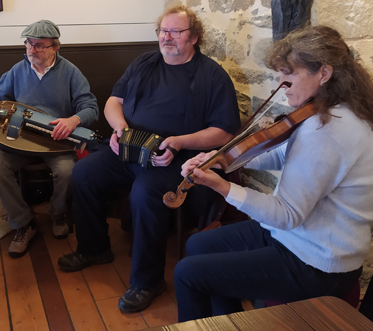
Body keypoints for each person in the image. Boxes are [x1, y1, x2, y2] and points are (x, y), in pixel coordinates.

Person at [173, 25, 373, 322]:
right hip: (296, 237)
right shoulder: (335, 109)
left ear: (324, 73)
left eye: (289, 73)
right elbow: (283, 154)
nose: (281, 81)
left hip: (319, 260)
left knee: (188, 273)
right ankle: (232, 323)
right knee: (198, 244)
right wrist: (225, 160)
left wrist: (223, 187)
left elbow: (287, 214)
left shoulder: (329, 129)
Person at [57, 5, 241, 313]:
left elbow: (223, 132)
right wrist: (120, 130)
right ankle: (94, 248)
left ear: (194, 37)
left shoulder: (213, 76)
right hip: (130, 148)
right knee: (84, 173)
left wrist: (181, 141)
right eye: (162, 31)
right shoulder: (144, 63)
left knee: (146, 194)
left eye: (176, 32)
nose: (167, 38)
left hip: (178, 158)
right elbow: (114, 102)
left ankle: (148, 281)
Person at [0, 20, 99, 257]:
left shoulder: (70, 72)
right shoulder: (18, 70)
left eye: (39, 45)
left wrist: (72, 120)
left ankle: (57, 213)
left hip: (55, 142)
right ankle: (23, 223)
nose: (32, 50)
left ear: (55, 48)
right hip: (18, 139)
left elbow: (90, 107)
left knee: (69, 171)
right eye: (29, 44)